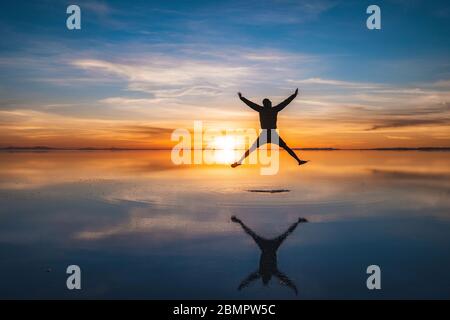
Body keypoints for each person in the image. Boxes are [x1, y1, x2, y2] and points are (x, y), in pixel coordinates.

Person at [231, 215, 308, 295]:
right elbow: (286, 280)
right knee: (285, 234)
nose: (266, 274)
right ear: (268, 276)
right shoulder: (270, 272)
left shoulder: (265, 272)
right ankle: (298, 222)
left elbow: (249, 280)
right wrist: (293, 287)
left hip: (266, 246)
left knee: (253, 234)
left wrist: (242, 285)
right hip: (271, 247)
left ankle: (298, 222)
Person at [231, 89, 308, 168]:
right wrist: (294, 96)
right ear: (268, 104)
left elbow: (251, 104)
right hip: (271, 133)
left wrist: (242, 98)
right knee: (286, 148)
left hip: (266, 134)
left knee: (252, 149)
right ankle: (298, 160)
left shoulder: (261, 109)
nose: (271, 103)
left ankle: (239, 162)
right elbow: (285, 103)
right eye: (270, 102)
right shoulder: (273, 109)